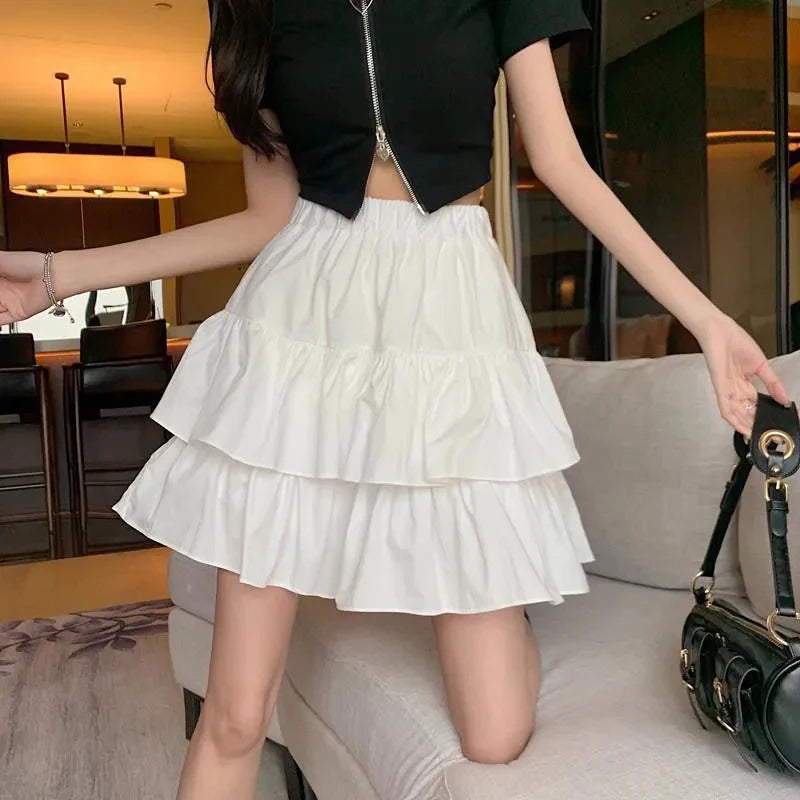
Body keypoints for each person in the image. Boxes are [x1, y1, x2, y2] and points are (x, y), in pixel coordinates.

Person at [0, 2, 791, 798]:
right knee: (236, 715)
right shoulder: (260, 11)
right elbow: (267, 218)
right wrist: (58, 275)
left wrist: (708, 320)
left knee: (494, 735)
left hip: (452, 321)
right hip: (299, 330)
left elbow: (562, 162)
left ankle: (501, 607)